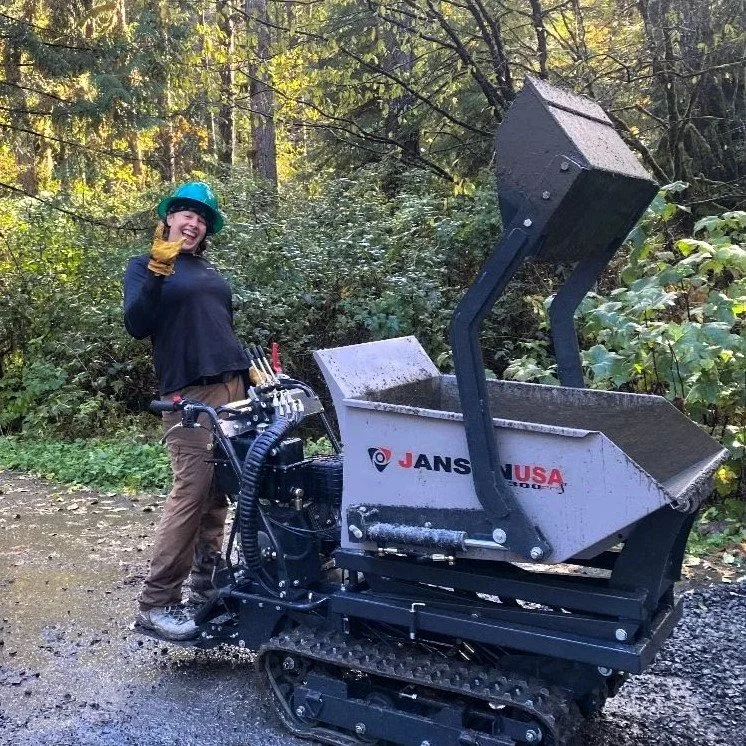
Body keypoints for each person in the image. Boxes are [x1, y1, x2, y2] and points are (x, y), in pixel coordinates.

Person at [123, 181, 250, 641]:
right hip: (188, 395)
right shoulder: (144, 267)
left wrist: (247, 378)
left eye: (201, 217)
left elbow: (217, 328)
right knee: (192, 490)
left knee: (220, 490)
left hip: (233, 385)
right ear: (167, 219)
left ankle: (206, 582)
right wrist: (158, 272)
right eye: (185, 213)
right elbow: (137, 325)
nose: (193, 222)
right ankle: (156, 603)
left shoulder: (207, 271)